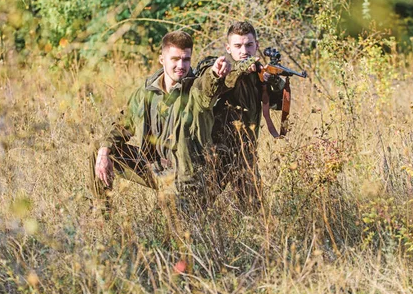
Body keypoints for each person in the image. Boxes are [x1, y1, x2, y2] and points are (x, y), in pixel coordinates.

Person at [88, 30, 230, 214]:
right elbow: (123, 124)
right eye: (175, 59)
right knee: (100, 148)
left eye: (186, 59)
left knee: (157, 233)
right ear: (162, 59)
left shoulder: (195, 90)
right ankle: (101, 215)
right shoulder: (147, 92)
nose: (181, 65)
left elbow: (208, 88)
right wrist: (104, 151)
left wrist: (215, 74)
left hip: (186, 179)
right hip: (155, 169)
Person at [178, 21, 285, 210]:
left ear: (256, 46)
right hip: (215, 155)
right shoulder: (217, 66)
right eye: (237, 46)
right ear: (228, 47)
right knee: (196, 210)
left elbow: (278, 104)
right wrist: (240, 68)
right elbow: (209, 87)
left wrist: (274, 81)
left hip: (245, 157)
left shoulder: (257, 75)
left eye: (249, 45)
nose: (244, 51)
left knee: (255, 212)